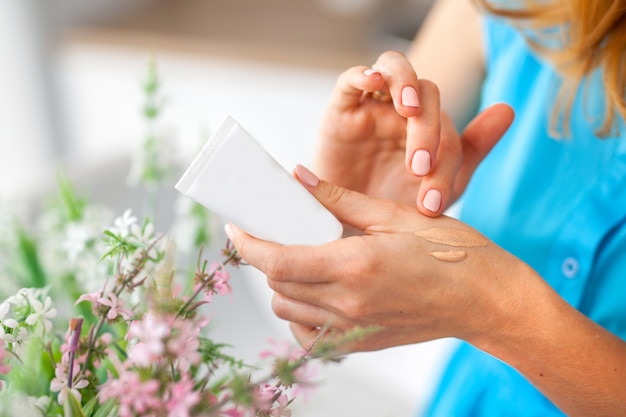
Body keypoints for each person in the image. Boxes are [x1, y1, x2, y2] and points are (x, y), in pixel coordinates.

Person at [225, 0, 626, 415]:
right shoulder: (501, 11)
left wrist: (495, 309)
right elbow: (327, 325)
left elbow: (478, 300)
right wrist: (348, 237)